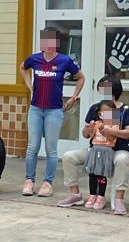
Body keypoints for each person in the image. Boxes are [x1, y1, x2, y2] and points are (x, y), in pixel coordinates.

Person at [57, 75, 129, 215]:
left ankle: (119, 199)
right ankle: (75, 194)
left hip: (118, 148)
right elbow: (86, 134)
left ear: (115, 89)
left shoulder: (124, 109)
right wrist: (87, 131)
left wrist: (111, 131)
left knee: (122, 160)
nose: (103, 91)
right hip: (96, 149)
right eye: (101, 88)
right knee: (69, 157)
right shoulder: (96, 108)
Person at [19, 28, 84, 198]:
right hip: (35, 108)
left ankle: (48, 183)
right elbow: (22, 68)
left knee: (50, 148)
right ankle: (29, 180)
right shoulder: (35, 59)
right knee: (32, 146)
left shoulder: (64, 61)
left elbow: (81, 77)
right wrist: (29, 85)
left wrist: (73, 98)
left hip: (54, 110)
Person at [82, 100, 121, 210]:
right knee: (92, 174)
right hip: (94, 150)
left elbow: (112, 138)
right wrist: (89, 129)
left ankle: (101, 196)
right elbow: (91, 135)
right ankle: (92, 194)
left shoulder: (114, 125)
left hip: (106, 152)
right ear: (99, 114)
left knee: (101, 175)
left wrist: (105, 130)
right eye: (104, 112)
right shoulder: (97, 123)